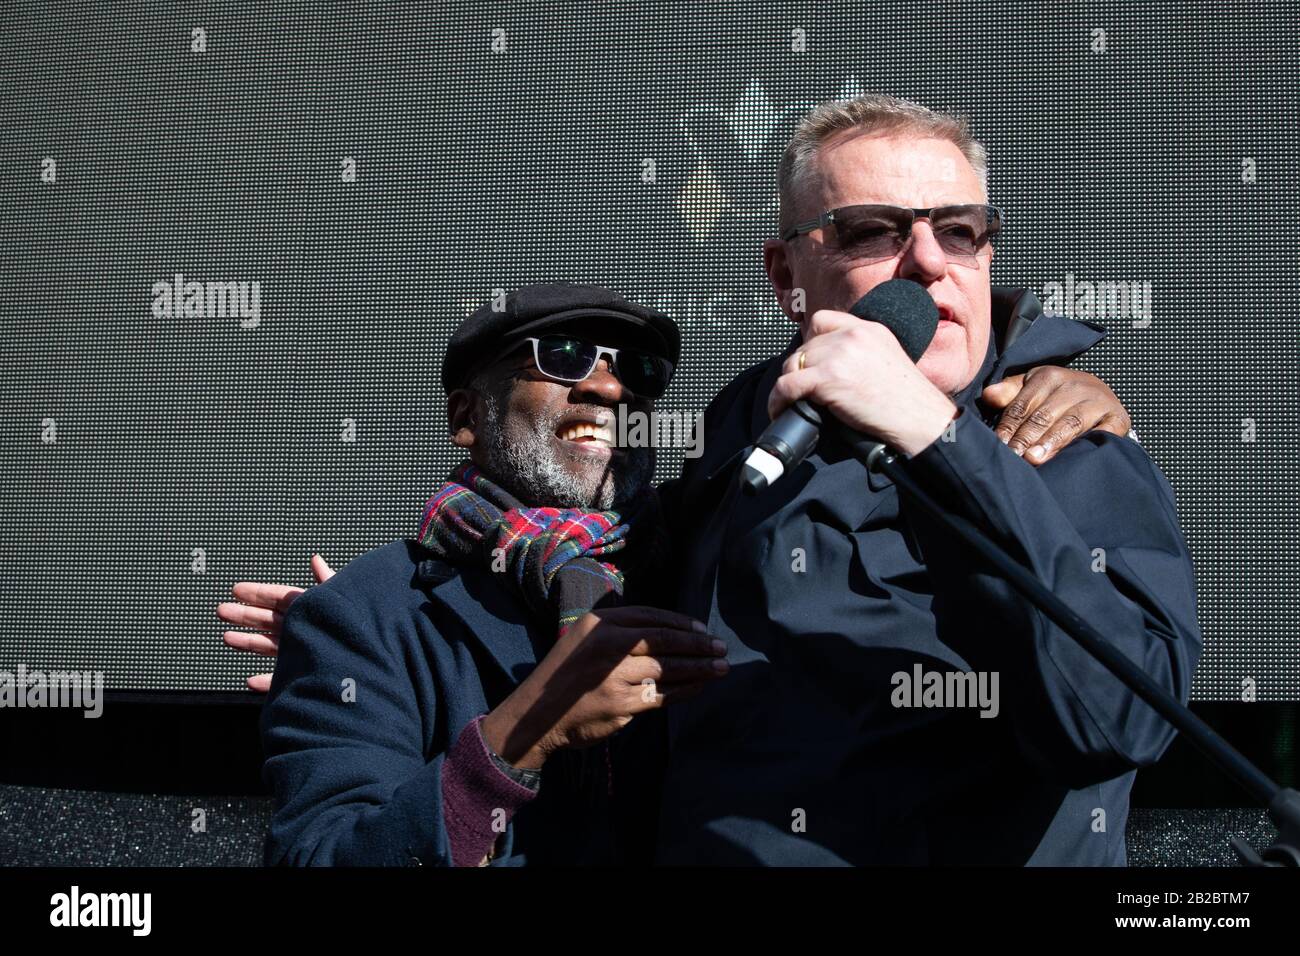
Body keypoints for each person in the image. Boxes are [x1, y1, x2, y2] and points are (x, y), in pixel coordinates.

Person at [652, 93, 1201, 864]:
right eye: (872, 231)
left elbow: (1117, 721)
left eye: (958, 231)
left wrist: (938, 442)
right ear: (786, 275)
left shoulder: (1063, 440)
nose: (931, 262)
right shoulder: (748, 417)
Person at [257, 284, 728, 866]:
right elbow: (318, 858)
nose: (609, 388)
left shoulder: (710, 573)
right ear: (467, 416)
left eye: (639, 369)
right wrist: (524, 732)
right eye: (561, 354)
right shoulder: (359, 617)